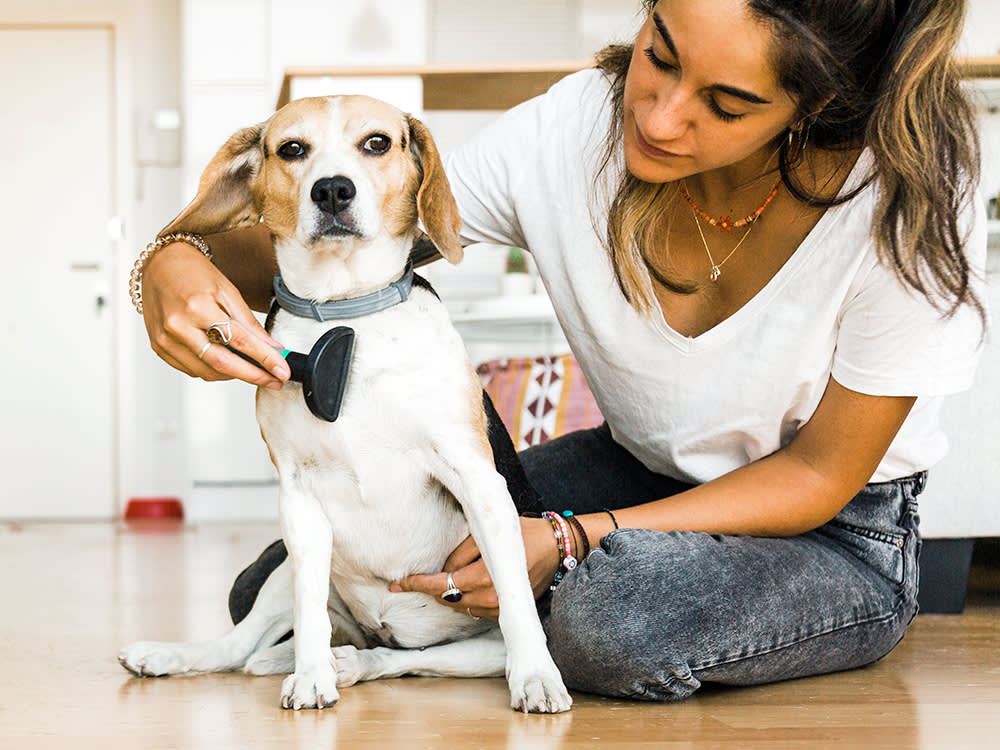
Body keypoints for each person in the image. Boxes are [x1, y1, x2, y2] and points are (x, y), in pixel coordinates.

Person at [136, 0, 987, 701]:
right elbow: (377, 221)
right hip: (637, 467)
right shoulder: (573, 126)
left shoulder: (907, 200)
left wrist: (574, 540)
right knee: (276, 591)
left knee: (608, 622)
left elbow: (818, 477)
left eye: (725, 105)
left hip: (835, 531)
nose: (657, 116)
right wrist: (173, 258)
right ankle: (491, 622)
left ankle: (506, 625)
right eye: (659, 55)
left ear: (821, 108)